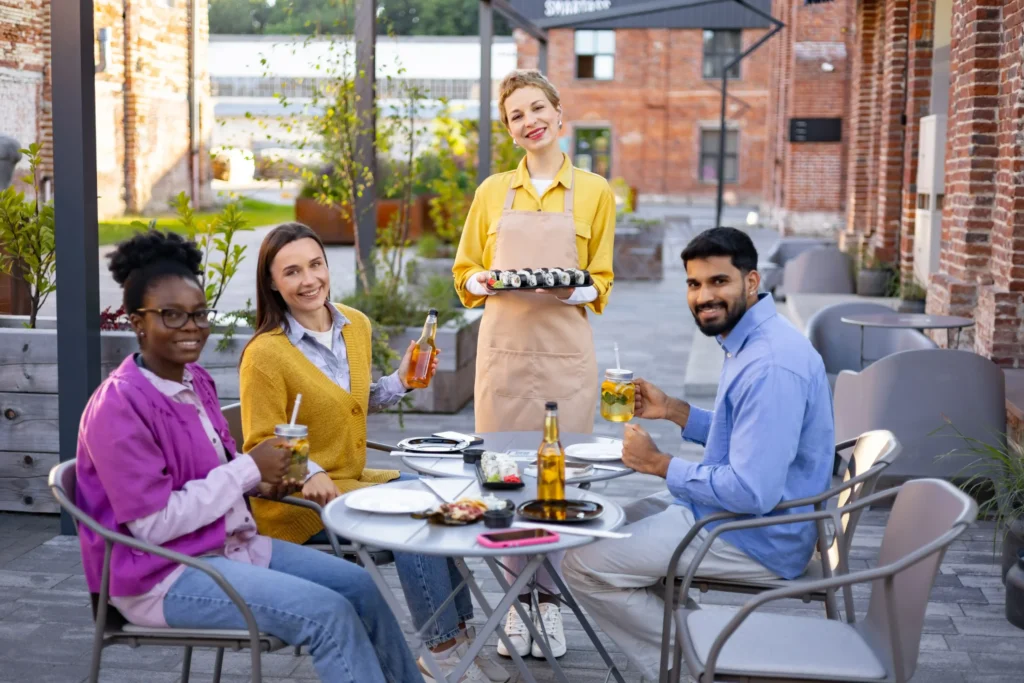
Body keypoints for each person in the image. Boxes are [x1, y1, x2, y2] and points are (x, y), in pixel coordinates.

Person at [74, 230, 421, 683]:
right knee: (329, 613)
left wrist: (270, 477)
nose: (191, 327)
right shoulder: (119, 406)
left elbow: (220, 473)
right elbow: (153, 525)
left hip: (230, 546)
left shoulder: (195, 382)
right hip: (162, 575)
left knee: (359, 588)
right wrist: (247, 468)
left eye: (199, 314)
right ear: (138, 322)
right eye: (171, 315)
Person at [562, 227, 835, 681]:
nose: (704, 296)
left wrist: (658, 465)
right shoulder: (752, 339)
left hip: (755, 534)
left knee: (580, 565)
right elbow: (744, 436)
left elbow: (751, 491)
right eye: (694, 284)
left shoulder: (769, 364)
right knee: (604, 526)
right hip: (728, 513)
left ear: (751, 282)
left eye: (718, 282)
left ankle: (692, 667)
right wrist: (673, 410)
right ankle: (694, 652)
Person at [239, 223, 507, 683]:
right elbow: (263, 444)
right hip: (299, 504)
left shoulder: (354, 325)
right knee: (410, 518)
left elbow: (357, 398)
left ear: (328, 265)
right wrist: (308, 473)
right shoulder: (265, 355)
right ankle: (443, 654)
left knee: (442, 502)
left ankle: (457, 640)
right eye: (292, 271)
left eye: (316, 264)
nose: (309, 280)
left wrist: (401, 379)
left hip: (356, 480)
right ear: (272, 283)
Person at [452, 68, 616, 660]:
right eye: (516, 115)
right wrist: (480, 277)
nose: (529, 121)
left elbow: (600, 279)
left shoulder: (595, 191)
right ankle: (515, 608)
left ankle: (550, 603)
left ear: (558, 113)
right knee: (503, 482)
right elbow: (464, 273)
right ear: (509, 130)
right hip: (503, 357)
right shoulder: (493, 192)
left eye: (536, 108)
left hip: (566, 355)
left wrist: (571, 289)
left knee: (561, 483)